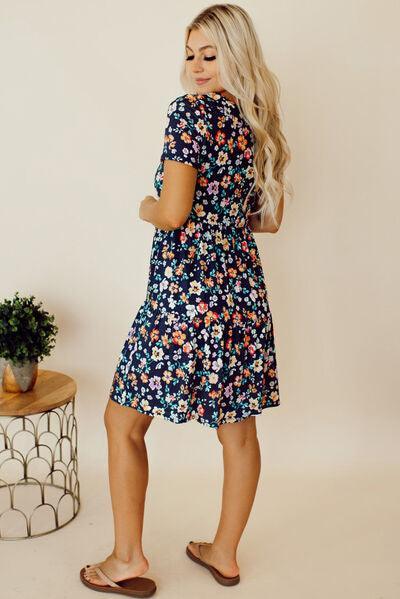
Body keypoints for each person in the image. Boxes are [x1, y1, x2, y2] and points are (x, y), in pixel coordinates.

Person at [81, 3, 291, 595]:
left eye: (211, 53)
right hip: (240, 295)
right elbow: (268, 220)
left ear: (237, 55)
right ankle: (223, 553)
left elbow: (171, 213)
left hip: (182, 297)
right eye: (190, 53)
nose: (197, 65)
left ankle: (126, 560)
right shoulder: (258, 123)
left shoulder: (190, 115)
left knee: (121, 422)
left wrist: (145, 207)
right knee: (239, 431)